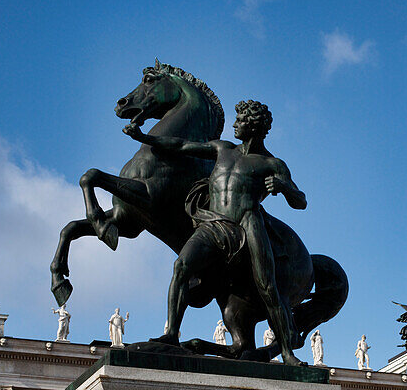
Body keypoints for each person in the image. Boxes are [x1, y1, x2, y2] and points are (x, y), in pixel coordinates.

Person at [125, 100, 307, 365]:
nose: (235, 124)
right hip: (214, 224)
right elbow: (181, 146)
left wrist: (284, 187)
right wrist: (143, 137)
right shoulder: (222, 149)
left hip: (247, 223)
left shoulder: (272, 163)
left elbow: (300, 201)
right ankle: (171, 334)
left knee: (268, 286)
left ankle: (288, 354)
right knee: (181, 267)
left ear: (253, 126)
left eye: (240, 120)